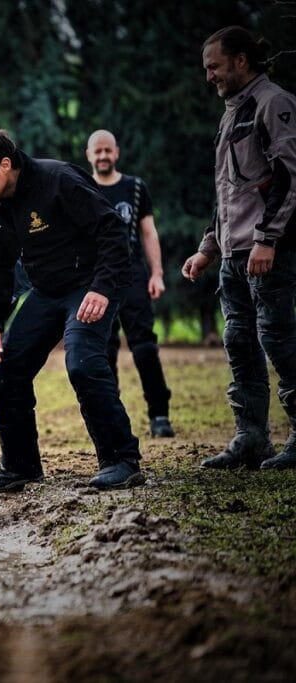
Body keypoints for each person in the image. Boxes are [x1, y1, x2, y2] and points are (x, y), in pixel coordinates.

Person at [0, 128, 144, 496]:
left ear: (5, 164)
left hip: (92, 283)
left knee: (83, 364)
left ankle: (121, 461)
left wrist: (102, 288)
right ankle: (19, 467)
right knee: (7, 373)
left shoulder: (58, 180)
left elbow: (112, 229)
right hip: (47, 290)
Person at [183, 26, 296, 471]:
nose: (209, 75)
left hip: (267, 252)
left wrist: (268, 239)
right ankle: (251, 439)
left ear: (241, 61)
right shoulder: (233, 112)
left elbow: (289, 176)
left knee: (280, 342)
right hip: (233, 255)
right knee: (240, 344)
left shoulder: (274, 103)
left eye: (214, 66)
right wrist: (209, 248)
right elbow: (232, 190)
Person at [86, 129, 176, 438]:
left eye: (107, 150)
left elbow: (149, 231)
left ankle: (159, 414)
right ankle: (112, 419)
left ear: (117, 152)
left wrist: (157, 273)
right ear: (89, 156)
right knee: (103, 351)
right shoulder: (82, 188)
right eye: (97, 151)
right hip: (97, 279)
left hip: (133, 275)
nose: (103, 156)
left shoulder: (135, 188)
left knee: (145, 347)